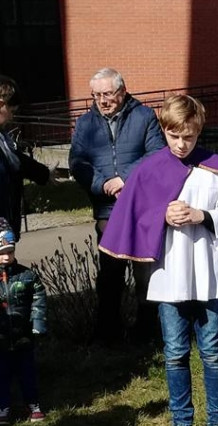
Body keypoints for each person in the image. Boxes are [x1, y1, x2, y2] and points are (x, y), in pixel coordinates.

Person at [99, 95, 218, 426]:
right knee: (175, 354)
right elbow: (135, 216)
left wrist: (200, 215)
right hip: (169, 276)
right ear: (164, 130)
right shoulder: (150, 170)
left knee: (213, 352)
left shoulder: (216, 169)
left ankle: (216, 419)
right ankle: (182, 420)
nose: (181, 144)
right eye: (174, 136)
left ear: (199, 131)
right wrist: (162, 214)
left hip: (209, 275)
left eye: (188, 136)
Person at [68, 67, 166, 343]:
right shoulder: (85, 124)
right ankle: (108, 333)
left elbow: (157, 153)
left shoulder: (144, 116)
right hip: (108, 211)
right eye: (97, 95)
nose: (102, 100)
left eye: (108, 93)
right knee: (110, 274)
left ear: (122, 91)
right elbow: (77, 162)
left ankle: (147, 332)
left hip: (142, 206)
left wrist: (125, 179)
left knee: (144, 273)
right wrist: (102, 184)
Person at [0, 218, 47, 424]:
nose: (6, 257)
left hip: (23, 336)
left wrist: (38, 324)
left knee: (27, 372)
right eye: (2, 253)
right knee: (1, 375)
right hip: (0, 339)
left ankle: (33, 403)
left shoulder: (27, 276)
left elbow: (39, 300)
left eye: (10, 252)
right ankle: (3, 406)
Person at [0, 75, 53, 241]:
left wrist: (43, 174)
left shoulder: (3, 138)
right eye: (11, 111)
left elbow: (17, 161)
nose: (12, 117)